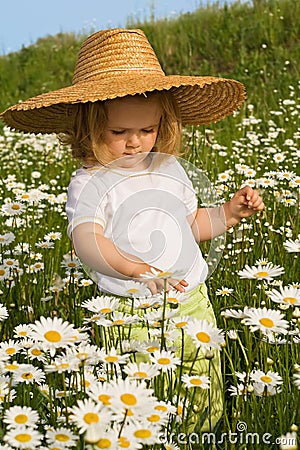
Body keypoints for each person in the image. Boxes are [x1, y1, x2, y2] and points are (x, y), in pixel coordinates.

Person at [0, 28, 264, 431]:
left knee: (202, 388)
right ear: (89, 127)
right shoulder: (90, 182)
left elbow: (189, 225)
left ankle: (202, 435)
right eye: (118, 132)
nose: (134, 143)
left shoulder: (170, 169)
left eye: (147, 130)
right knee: (144, 398)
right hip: (129, 313)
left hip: (193, 301)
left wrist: (228, 213)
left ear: (164, 125)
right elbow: (87, 239)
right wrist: (132, 268)